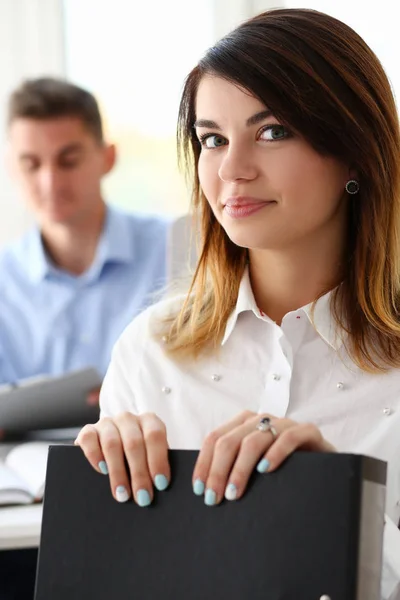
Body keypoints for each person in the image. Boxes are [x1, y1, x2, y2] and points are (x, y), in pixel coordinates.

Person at [76, 8, 400, 599]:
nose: (231, 169)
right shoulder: (150, 351)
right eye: (213, 139)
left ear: (355, 150)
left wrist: (334, 503)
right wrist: (98, 512)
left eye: (272, 131)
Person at [0, 78, 169, 388]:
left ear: (108, 158)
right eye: (31, 165)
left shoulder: (177, 249)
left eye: (68, 161)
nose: (50, 183)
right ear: (11, 168)